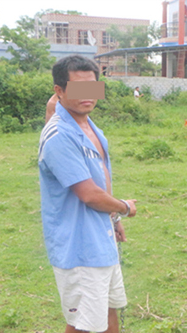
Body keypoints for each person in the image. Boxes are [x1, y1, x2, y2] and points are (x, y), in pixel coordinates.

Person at [38, 55, 137, 333]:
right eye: (78, 89)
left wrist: (114, 219)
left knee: (108, 316)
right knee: (83, 325)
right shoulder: (59, 136)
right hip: (79, 248)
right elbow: (90, 195)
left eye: (91, 88)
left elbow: (100, 180)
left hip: (100, 239)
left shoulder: (91, 128)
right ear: (60, 91)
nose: (87, 97)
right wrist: (125, 207)